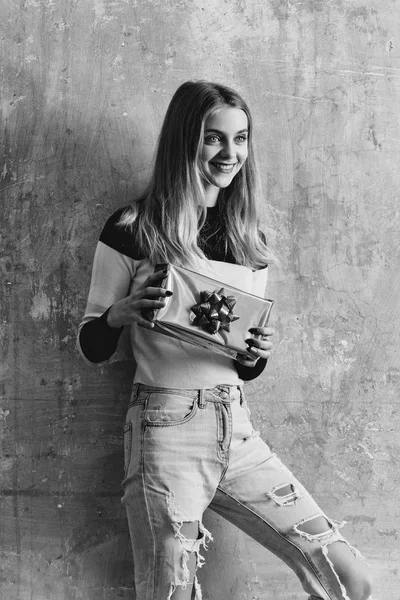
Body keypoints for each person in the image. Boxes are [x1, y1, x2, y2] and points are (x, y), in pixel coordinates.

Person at [78, 81, 372, 600]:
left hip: (236, 428)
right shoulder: (133, 227)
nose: (230, 154)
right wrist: (120, 314)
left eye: (241, 139)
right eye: (214, 139)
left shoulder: (246, 236)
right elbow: (91, 343)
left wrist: (256, 354)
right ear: (184, 141)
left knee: (350, 577)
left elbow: (242, 366)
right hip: (164, 430)